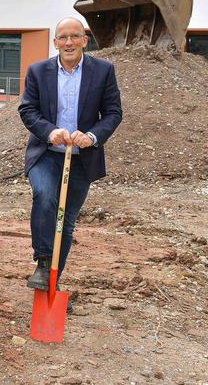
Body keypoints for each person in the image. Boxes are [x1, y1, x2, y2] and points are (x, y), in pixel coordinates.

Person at [18, 17, 123, 305]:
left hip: (82, 159)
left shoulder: (103, 71)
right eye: (62, 37)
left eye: (74, 36)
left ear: (84, 40)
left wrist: (92, 136)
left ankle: (52, 280)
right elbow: (28, 110)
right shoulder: (38, 71)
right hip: (46, 153)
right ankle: (42, 261)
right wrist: (50, 132)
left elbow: (113, 112)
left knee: (66, 220)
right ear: (55, 42)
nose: (68, 42)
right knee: (45, 196)